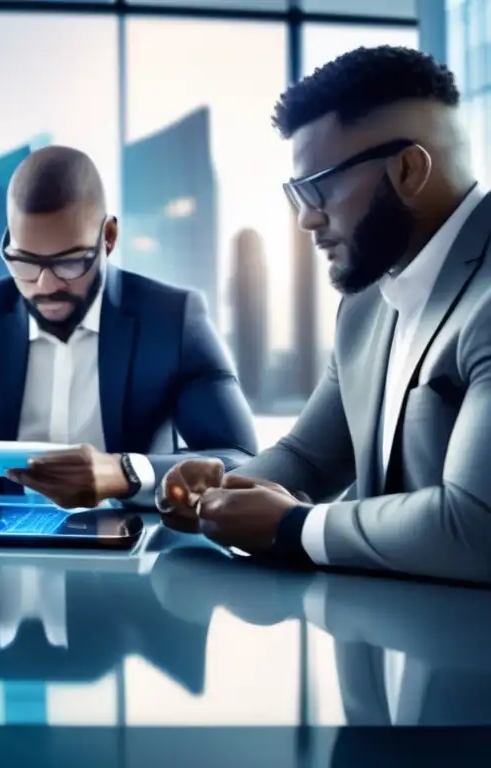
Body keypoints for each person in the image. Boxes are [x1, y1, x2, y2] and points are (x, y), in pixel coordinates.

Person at [156, 46, 491, 584]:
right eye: (296, 195)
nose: (307, 219)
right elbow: (310, 459)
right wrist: (213, 495)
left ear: (408, 169)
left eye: (319, 188)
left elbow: (476, 526)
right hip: (385, 639)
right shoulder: (364, 306)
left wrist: (295, 528)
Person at [0, 145, 257, 509]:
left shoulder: (173, 319)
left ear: (108, 238)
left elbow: (238, 457)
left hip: (129, 546)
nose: (45, 285)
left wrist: (124, 472)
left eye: (69, 262)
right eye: (24, 262)